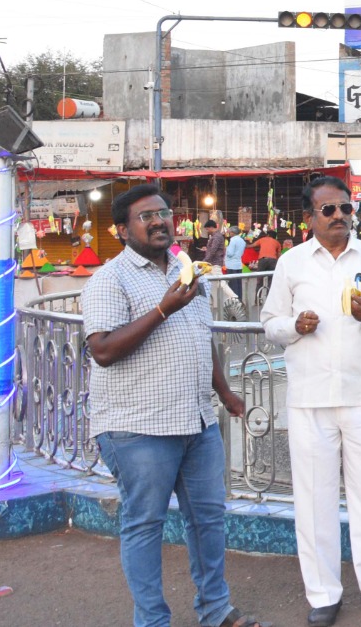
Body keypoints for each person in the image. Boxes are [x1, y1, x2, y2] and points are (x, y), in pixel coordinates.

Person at [82, 184, 266, 627]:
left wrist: (224, 392)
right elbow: (102, 350)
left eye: (163, 213)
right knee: (145, 525)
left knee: (208, 520)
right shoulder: (110, 279)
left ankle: (216, 609)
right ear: (122, 229)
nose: (159, 221)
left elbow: (201, 338)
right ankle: (152, 620)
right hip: (138, 426)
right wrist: (163, 309)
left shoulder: (187, 273)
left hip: (197, 422)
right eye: (145, 216)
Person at [262, 178, 361, 625]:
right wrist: (294, 327)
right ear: (309, 217)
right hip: (310, 398)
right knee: (314, 500)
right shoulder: (292, 262)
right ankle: (323, 594)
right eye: (329, 210)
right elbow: (270, 322)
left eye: (346, 208)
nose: (340, 215)